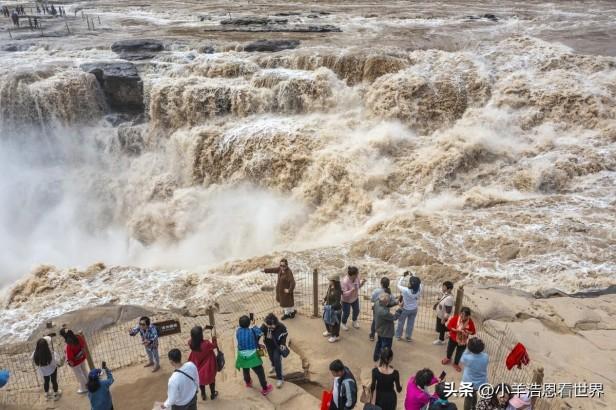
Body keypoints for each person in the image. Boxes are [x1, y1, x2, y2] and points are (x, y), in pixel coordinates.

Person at [235, 315, 273, 396]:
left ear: (239, 324)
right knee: (260, 371)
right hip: (252, 355)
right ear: (249, 323)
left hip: (242, 355)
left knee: (245, 369)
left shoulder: (238, 331)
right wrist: (254, 324)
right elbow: (261, 332)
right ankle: (265, 388)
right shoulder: (252, 330)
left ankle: (248, 382)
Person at [187, 326, 218, 401]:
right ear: (201, 335)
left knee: (201, 381)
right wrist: (214, 337)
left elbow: (192, 339)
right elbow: (214, 346)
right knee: (212, 380)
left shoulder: (191, 343)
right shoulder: (206, 344)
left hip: (198, 367)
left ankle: (203, 395)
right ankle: (213, 394)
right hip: (208, 367)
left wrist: (201, 330)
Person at [442, 307, 476, 372]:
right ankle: (448, 358)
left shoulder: (470, 322)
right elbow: (449, 326)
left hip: (463, 341)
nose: (462, 317)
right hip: (453, 338)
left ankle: (456, 363)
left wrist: (468, 332)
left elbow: (473, 331)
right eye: (461, 315)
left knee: (459, 353)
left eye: (465, 316)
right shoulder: (456, 318)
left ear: (468, 316)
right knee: (450, 349)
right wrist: (455, 330)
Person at [260, 313, 288, 388]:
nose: (270, 327)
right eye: (268, 325)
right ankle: (273, 365)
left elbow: (285, 334)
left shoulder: (281, 326)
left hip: (277, 346)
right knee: (271, 357)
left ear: (275, 323)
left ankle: (279, 378)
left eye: (271, 326)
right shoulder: (264, 326)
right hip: (268, 346)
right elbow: (258, 334)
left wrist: (283, 343)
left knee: (276, 359)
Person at [460, 337, 489, 410]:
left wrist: (467, 349)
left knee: (468, 398)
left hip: (468, 382)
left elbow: (462, 359)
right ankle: (473, 407)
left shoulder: (467, 358)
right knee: (474, 393)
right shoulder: (485, 356)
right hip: (480, 382)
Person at [373, 292, 401, 363]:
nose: (389, 302)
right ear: (385, 302)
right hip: (386, 332)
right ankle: (383, 362)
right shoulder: (383, 312)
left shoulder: (377, 303)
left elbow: (387, 304)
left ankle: (376, 357)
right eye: (388, 301)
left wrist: (395, 302)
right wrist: (400, 309)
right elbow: (394, 317)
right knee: (385, 348)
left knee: (379, 343)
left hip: (379, 328)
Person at [60, 328, 88, 394]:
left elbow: (70, 357)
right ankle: (89, 382)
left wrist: (70, 362)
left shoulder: (69, 345)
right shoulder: (78, 337)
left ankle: (84, 388)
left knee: (79, 375)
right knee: (85, 370)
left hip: (75, 362)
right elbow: (83, 346)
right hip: (82, 357)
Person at [396, 272, 421, 342]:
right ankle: (408, 337)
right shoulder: (419, 289)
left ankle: (398, 336)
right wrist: (413, 275)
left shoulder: (405, 290)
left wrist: (402, 276)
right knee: (411, 323)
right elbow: (418, 283)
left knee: (401, 322)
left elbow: (398, 285)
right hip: (414, 309)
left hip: (405, 309)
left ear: (410, 284)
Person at [369, 277, 395, 341]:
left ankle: (372, 335)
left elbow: (372, 299)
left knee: (375, 321)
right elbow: (392, 301)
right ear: (388, 284)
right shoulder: (390, 292)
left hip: (377, 308)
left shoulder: (376, 291)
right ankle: (381, 335)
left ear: (381, 284)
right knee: (384, 322)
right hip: (385, 310)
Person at [341, 266, 366, 330]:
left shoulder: (356, 278)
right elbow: (343, 294)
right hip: (346, 300)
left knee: (356, 310)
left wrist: (362, 283)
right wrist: (351, 290)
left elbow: (358, 287)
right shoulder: (345, 281)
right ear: (353, 275)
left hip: (355, 298)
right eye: (357, 273)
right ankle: (343, 323)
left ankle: (354, 321)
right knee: (346, 313)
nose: (358, 274)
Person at [323, 272, 343, 343]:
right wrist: (324, 299)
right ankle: (329, 331)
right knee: (326, 319)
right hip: (328, 307)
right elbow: (327, 294)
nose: (329, 281)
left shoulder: (338, 291)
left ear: (334, 281)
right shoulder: (330, 286)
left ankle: (335, 336)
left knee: (334, 323)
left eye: (330, 280)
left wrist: (330, 306)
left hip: (335, 310)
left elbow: (337, 303)